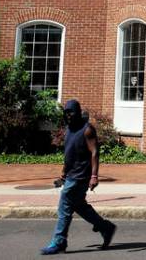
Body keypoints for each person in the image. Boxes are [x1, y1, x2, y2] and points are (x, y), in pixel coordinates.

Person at [40, 99, 116, 255]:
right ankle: (105, 227)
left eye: (71, 112)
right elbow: (70, 153)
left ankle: (59, 241)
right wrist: (64, 170)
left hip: (80, 176)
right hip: (71, 174)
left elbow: (95, 152)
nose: (68, 116)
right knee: (80, 206)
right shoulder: (69, 129)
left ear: (78, 112)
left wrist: (94, 176)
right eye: (66, 113)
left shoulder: (87, 130)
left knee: (64, 207)